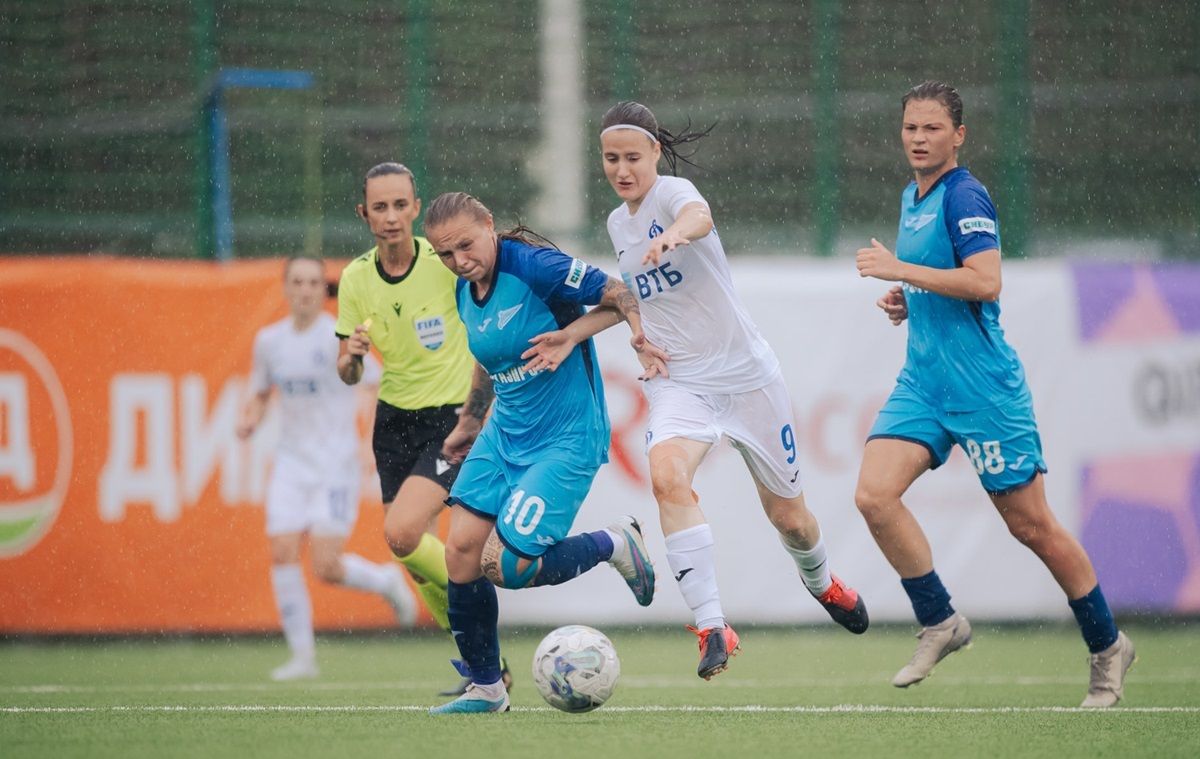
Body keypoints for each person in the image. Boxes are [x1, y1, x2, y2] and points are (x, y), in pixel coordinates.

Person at [854, 81, 1135, 707]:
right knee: (874, 495)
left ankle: (1108, 646)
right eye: (910, 128)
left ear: (959, 135)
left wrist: (901, 271)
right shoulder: (912, 194)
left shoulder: (964, 193)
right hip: (924, 383)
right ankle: (940, 621)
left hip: (983, 389)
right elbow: (946, 280)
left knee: (1032, 527)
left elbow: (985, 282)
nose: (919, 139)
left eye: (932, 129)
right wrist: (910, 300)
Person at [598, 101, 870, 681]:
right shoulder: (617, 226)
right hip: (681, 382)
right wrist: (633, 336)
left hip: (749, 380)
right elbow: (638, 298)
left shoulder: (674, 194)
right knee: (668, 476)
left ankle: (822, 584)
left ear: (654, 155)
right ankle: (712, 625)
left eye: (632, 157)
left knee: (791, 521)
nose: (622, 169)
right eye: (610, 158)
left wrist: (673, 233)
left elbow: (698, 215)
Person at [421, 191, 663, 714]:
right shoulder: (466, 288)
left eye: (466, 245)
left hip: (566, 436)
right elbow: (491, 356)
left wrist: (612, 334)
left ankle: (614, 543)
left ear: (489, 224)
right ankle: (487, 688)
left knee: (506, 566)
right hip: (504, 431)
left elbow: (620, 295)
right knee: (460, 552)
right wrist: (469, 419)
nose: (459, 261)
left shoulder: (535, 266)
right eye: (445, 254)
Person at [335, 162, 512, 695]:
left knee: (403, 535)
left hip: (452, 418)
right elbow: (348, 372)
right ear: (364, 215)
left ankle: (480, 601)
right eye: (380, 207)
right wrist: (353, 356)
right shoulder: (355, 278)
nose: (391, 217)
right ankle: (484, 667)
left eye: (400, 205)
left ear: (415, 208)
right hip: (393, 421)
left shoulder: (443, 264)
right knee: (412, 557)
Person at [238, 254, 418, 681]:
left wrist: (373, 441)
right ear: (285, 288)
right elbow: (261, 392)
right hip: (289, 464)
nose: (304, 290)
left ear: (324, 290)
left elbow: (374, 385)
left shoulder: (337, 339)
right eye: (296, 282)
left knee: (326, 566)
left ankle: (385, 581)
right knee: (281, 551)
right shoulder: (269, 341)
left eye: (313, 283)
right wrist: (250, 419)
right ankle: (302, 658)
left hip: (335, 465)